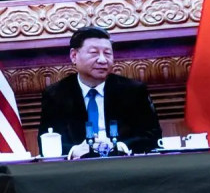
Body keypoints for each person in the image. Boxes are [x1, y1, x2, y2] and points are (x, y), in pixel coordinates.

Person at [38, 27, 161, 158]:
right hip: (76, 169)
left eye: (108, 53)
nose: (102, 60)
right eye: (94, 53)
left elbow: (153, 135)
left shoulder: (133, 91)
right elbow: (46, 140)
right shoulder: (56, 94)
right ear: (74, 56)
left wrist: (119, 147)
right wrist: (74, 150)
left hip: (124, 165)